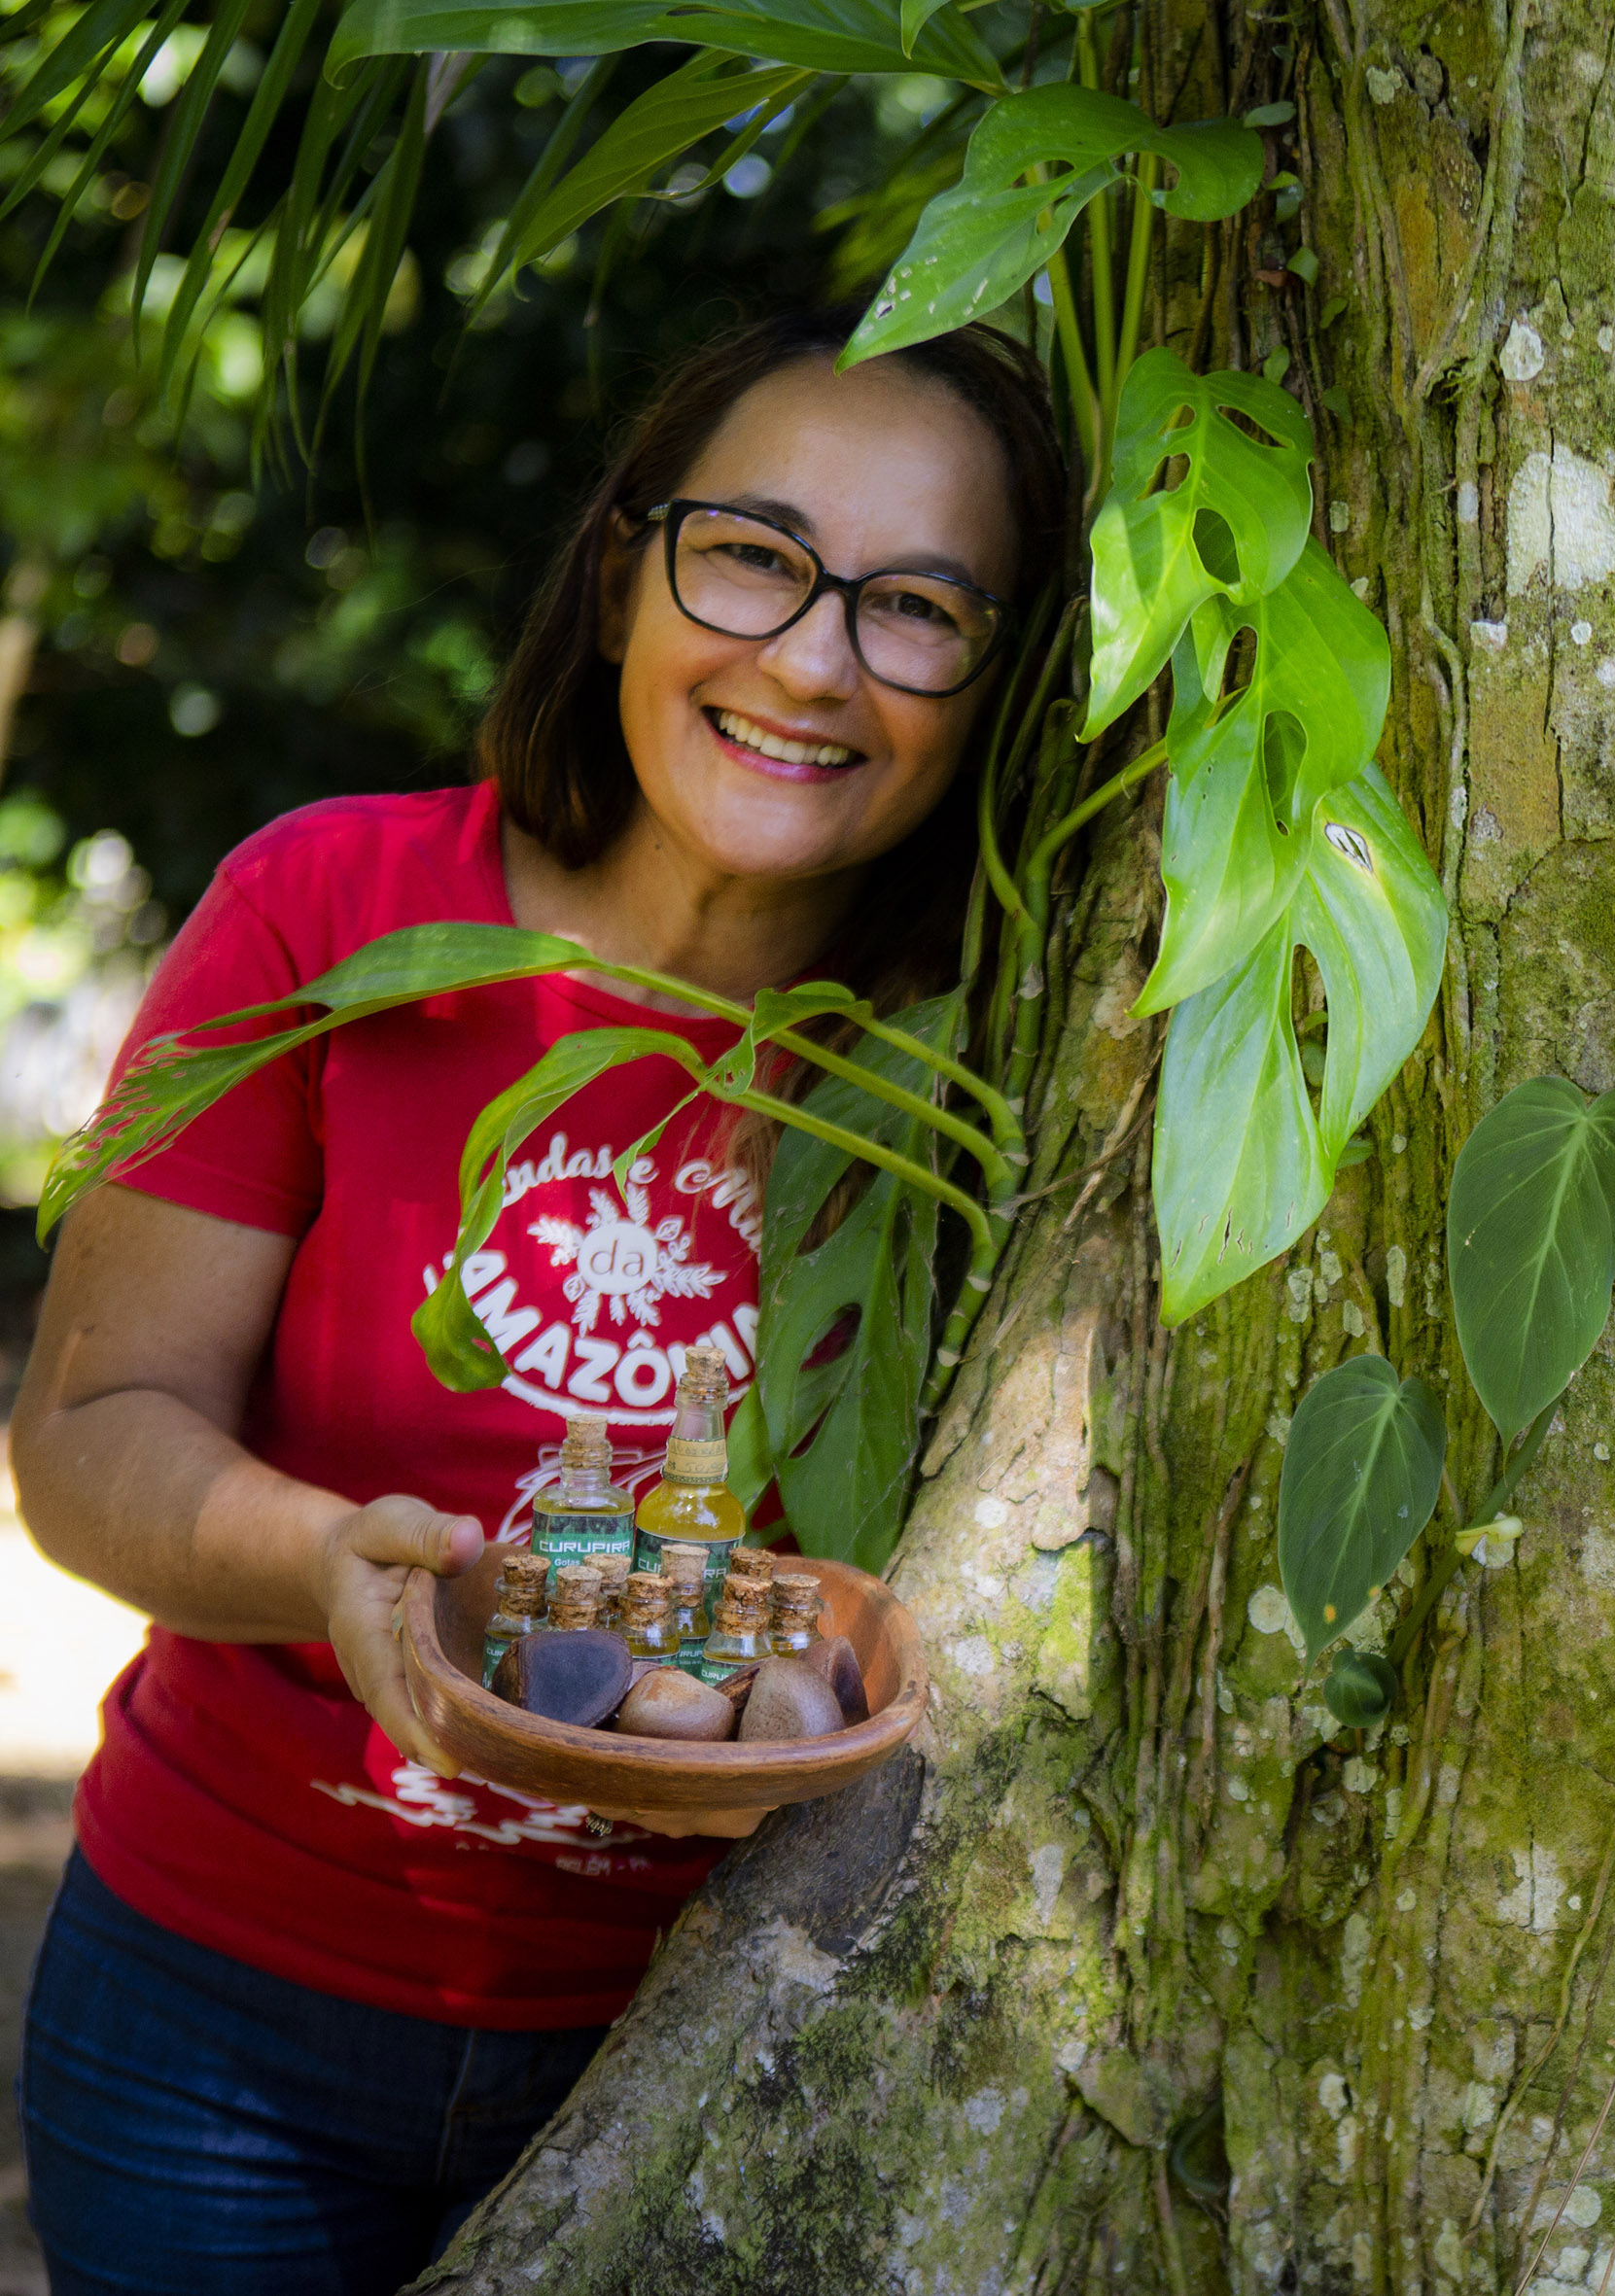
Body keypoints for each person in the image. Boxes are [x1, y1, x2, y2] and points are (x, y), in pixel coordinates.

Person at [9, 304, 1068, 2294]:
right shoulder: (331, 911)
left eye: (919, 607)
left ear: (996, 682)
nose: (811, 659)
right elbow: (83, 1436)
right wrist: (329, 1563)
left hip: (713, 2040)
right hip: (219, 2025)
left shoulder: (997, 1068)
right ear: (616, 576)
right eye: (750, 555)